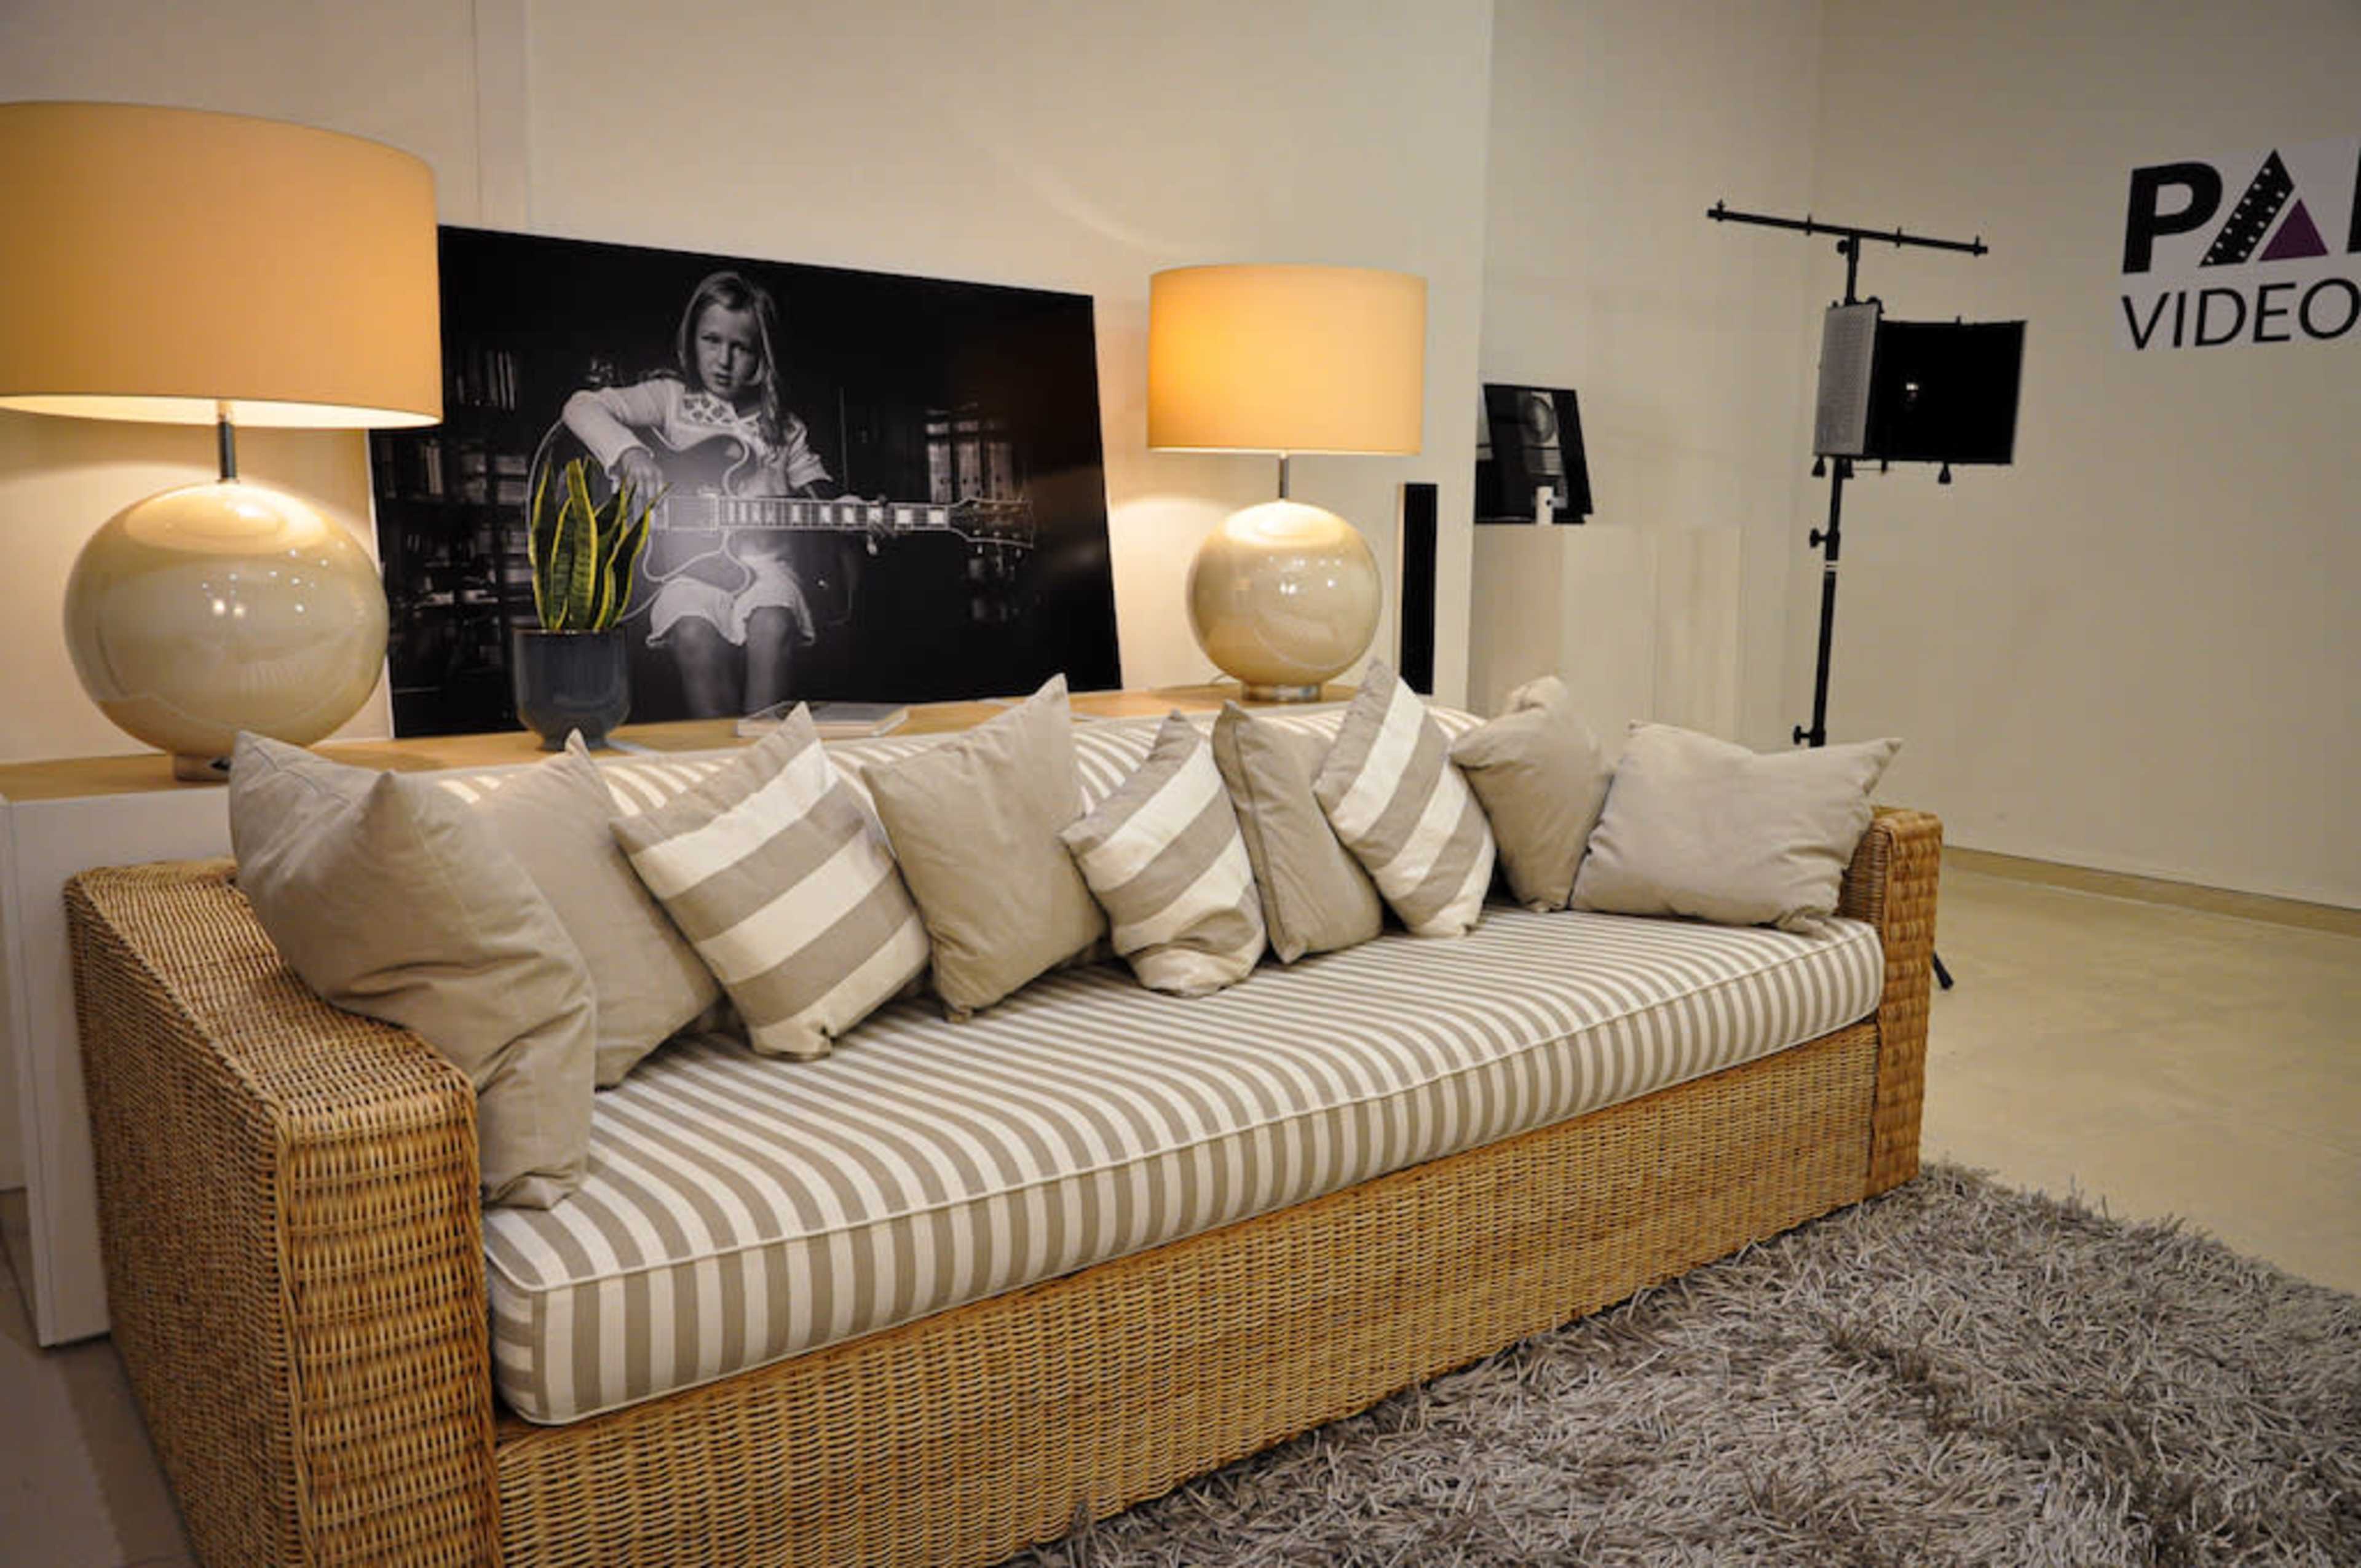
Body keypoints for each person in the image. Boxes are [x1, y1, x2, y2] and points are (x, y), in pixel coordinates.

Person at [562, 270, 852, 718]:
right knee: (693, 631)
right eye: (711, 340)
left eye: (741, 348)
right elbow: (581, 406)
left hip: (764, 569)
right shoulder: (671, 398)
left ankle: (765, 758)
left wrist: (850, 513)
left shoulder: (785, 427)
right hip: (689, 572)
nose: (723, 359)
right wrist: (631, 454)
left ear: (762, 355)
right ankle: (719, 764)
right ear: (691, 339)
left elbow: (818, 492)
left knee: (772, 624)